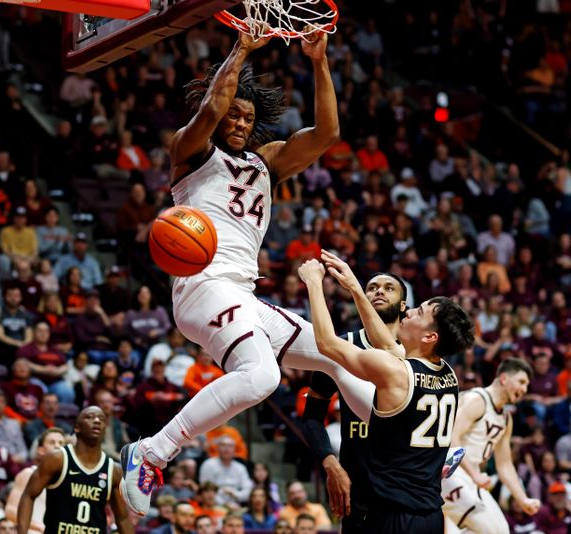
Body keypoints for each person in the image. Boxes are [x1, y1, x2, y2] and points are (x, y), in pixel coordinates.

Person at [119, 28, 343, 515]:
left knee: (339, 354)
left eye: (247, 116)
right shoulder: (191, 150)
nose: (239, 121)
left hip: (242, 293)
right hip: (202, 285)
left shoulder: (268, 162)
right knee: (261, 376)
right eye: (233, 114)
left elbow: (326, 135)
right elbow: (210, 110)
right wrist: (241, 48)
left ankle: (414, 446)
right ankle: (152, 452)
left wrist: (319, 62)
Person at [299, 259, 475, 533]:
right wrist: (356, 288)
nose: (409, 313)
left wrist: (312, 281)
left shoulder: (394, 372)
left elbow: (326, 343)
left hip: (392, 516)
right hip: (430, 515)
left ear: (429, 337)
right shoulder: (448, 373)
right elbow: (388, 345)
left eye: (419, 312)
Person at [301, 258, 407, 529]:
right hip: (357, 482)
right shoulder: (342, 347)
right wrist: (330, 463)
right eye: (372, 287)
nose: (379, 291)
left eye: (388, 288)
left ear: (404, 306)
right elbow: (312, 416)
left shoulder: (413, 350)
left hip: (404, 481)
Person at [442, 358, 541, 532]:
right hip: (450, 472)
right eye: (521, 382)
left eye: (526, 385)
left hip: (470, 478)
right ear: (503, 378)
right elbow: (451, 438)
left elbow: (504, 464)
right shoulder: (477, 399)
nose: (524, 389)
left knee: (502, 529)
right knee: (491, 529)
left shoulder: (505, 418)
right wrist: (474, 475)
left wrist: (522, 499)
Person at [17, 407, 133, 534]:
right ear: (77, 427)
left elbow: (123, 518)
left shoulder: (113, 470)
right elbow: (28, 496)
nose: (97, 421)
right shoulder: (57, 459)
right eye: (90, 417)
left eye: (101, 419)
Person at [5, 428, 67, 533]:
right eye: (52, 442)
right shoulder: (28, 474)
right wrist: (39, 527)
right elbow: (10, 511)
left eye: (61, 443)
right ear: (41, 450)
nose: (57, 446)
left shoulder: (70, 479)